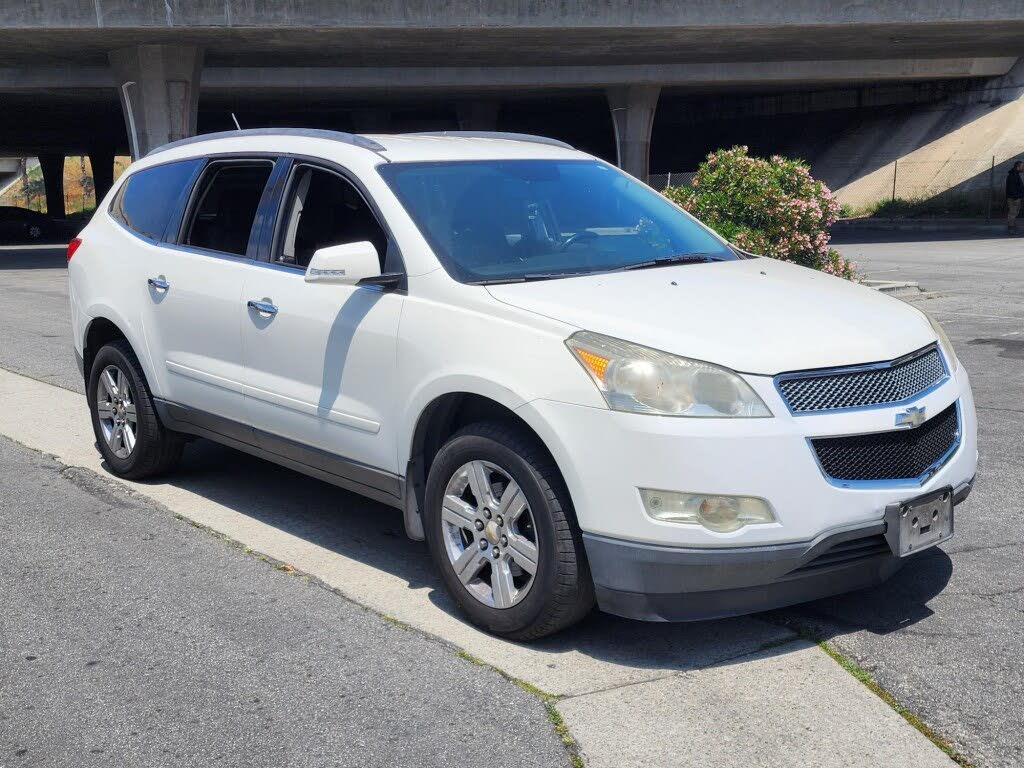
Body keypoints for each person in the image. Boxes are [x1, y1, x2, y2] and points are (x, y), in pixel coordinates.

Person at [1007, 160, 1024, 234]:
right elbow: (1012, 188)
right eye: (1022, 167)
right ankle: (1011, 228)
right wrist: (1016, 197)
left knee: (1015, 213)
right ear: (1018, 167)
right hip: (1013, 198)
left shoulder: (1016, 174)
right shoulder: (1012, 176)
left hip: (1016, 197)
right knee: (1012, 213)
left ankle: (1012, 226)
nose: (1023, 168)